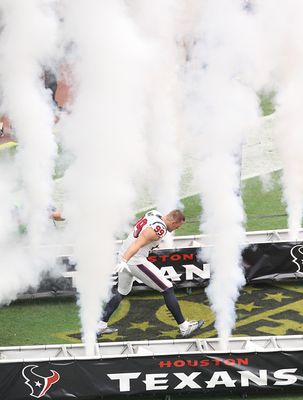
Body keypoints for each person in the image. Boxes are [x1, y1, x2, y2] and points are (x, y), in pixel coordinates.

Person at [97, 209, 204, 338]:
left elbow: (138, 234)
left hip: (123, 254)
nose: (176, 228)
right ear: (172, 220)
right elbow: (138, 243)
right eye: (177, 225)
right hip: (134, 260)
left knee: (122, 291)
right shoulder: (159, 228)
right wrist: (126, 260)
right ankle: (184, 327)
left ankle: (101, 325)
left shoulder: (153, 214)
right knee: (167, 287)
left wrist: (124, 258)